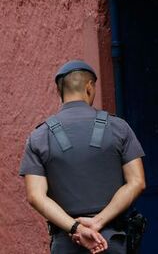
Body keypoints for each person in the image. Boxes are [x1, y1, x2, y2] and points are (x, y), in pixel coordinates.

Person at [20, 60, 147, 254]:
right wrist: (99, 221)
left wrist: (75, 228)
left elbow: (35, 196)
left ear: (58, 90)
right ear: (90, 87)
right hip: (111, 242)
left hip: (67, 244)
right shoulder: (118, 127)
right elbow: (137, 182)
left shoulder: (39, 136)